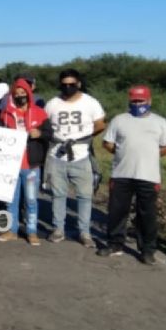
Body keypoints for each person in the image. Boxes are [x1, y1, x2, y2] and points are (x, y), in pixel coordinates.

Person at [97, 85, 166, 264]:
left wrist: (150, 155)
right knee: (117, 211)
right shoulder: (119, 120)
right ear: (129, 101)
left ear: (149, 101)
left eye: (141, 101)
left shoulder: (160, 122)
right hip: (121, 173)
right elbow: (107, 143)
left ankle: (147, 250)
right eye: (135, 101)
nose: (138, 104)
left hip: (148, 175)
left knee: (147, 214)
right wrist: (122, 153)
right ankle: (115, 244)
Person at [44, 68, 106, 248]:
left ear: (78, 84)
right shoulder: (52, 104)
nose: (68, 87)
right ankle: (58, 229)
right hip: (57, 155)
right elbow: (45, 125)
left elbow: (100, 124)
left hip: (81, 155)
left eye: (72, 84)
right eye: (64, 85)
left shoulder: (90, 102)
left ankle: (84, 232)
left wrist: (85, 137)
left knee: (85, 196)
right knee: (58, 195)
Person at [0, 78, 52, 246]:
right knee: (11, 200)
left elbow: (50, 133)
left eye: (23, 93)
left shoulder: (40, 113)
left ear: (29, 94)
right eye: (17, 93)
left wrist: (39, 133)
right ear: (12, 95)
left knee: (31, 200)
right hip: (11, 165)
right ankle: (12, 230)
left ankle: (31, 231)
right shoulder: (5, 114)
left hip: (31, 165)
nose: (20, 96)